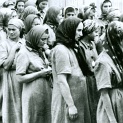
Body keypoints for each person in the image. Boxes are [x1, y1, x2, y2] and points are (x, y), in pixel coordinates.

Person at [51, 17, 91, 123]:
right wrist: (71, 105)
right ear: (69, 30)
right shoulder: (61, 50)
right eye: (78, 30)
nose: (81, 34)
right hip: (67, 101)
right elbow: (62, 80)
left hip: (77, 98)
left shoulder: (71, 47)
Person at [16, 25, 52, 123]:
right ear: (35, 38)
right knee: (34, 117)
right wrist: (40, 74)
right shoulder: (23, 53)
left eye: (46, 39)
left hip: (45, 91)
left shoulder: (39, 50)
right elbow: (19, 78)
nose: (45, 42)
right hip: (33, 94)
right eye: (43, 39)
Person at [94, 21, 123, 123]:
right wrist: (112, 119)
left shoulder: (118, 57)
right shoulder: (103, 62)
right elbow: (104, 93)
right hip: (114, 105)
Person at [0, 18, 25, 123]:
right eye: (9, 29)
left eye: (14, 30)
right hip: (10, 78)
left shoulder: (25, 42)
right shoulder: (3, 44)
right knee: (12, 105)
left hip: (24, 77)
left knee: (23, 104)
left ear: (20, 30)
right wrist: (14, 49)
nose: (11, 32)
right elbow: (6, 66)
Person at [79, 19, 99, 123]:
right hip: (87, 80)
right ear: (88, 32)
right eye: (95, 31)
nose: (97, 34)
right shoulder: (80, 46)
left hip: (95, 78)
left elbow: (97, 60)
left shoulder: (92, 43)